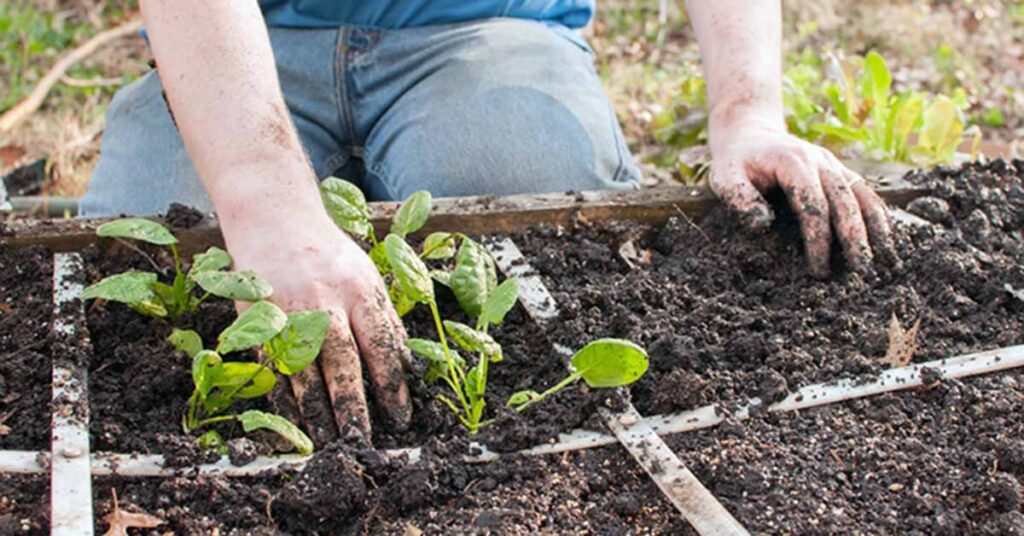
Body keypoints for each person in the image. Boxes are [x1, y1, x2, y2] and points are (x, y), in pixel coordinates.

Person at [80, 0, 895, 446]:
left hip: (490, 29)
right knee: (141, 275)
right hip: (236, 43)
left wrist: (747, 112)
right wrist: (263, 199)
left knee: (529, 212)